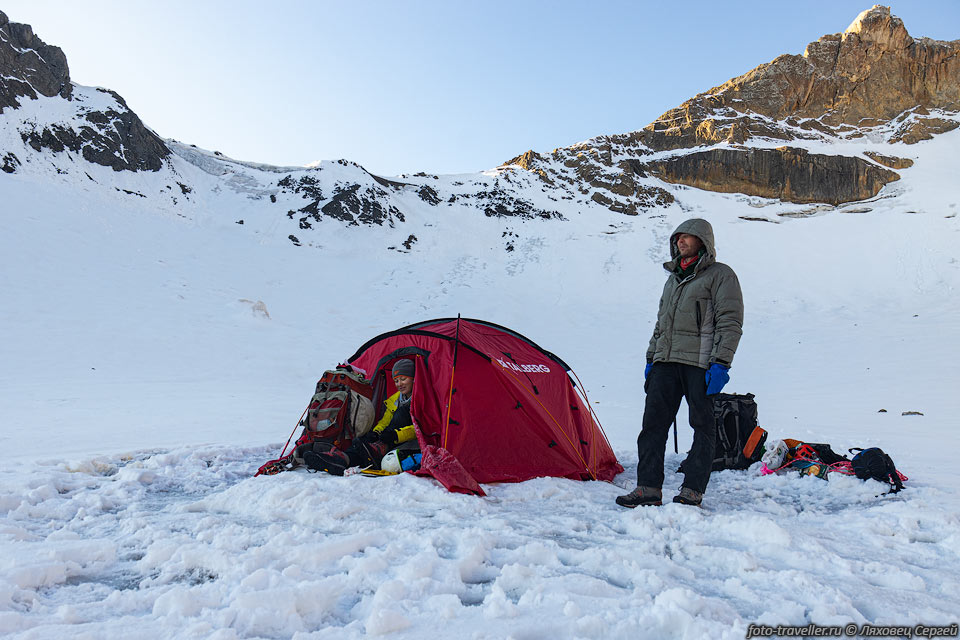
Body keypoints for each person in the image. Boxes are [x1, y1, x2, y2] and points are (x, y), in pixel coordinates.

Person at [616, 218, 743, 508]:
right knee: (652, 426)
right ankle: (648, 488)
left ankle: (693, 490)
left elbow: (730, 322)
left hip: (700, 364)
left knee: (702, 426)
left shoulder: (721, 275)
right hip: (665, 362)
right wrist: (652, 357)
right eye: (678, 237)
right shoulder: (673, 279)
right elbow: (661, 325)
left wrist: (721, 363)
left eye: (688, 236)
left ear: (704, 241)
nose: (681, 241)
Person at [304, 359, 418, 475]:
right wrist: (376, 432)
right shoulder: (395, 399)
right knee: (363, 442)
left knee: (402, 412)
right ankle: (341, 459)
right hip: (392, 438)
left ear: (414, 378)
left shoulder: (421, 398)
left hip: (410, 442)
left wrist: (396, 435)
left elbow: (422, 430)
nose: (399, 384)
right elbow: (385, 421)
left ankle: (377, 450)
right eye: (396, 381)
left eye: (403, 379)